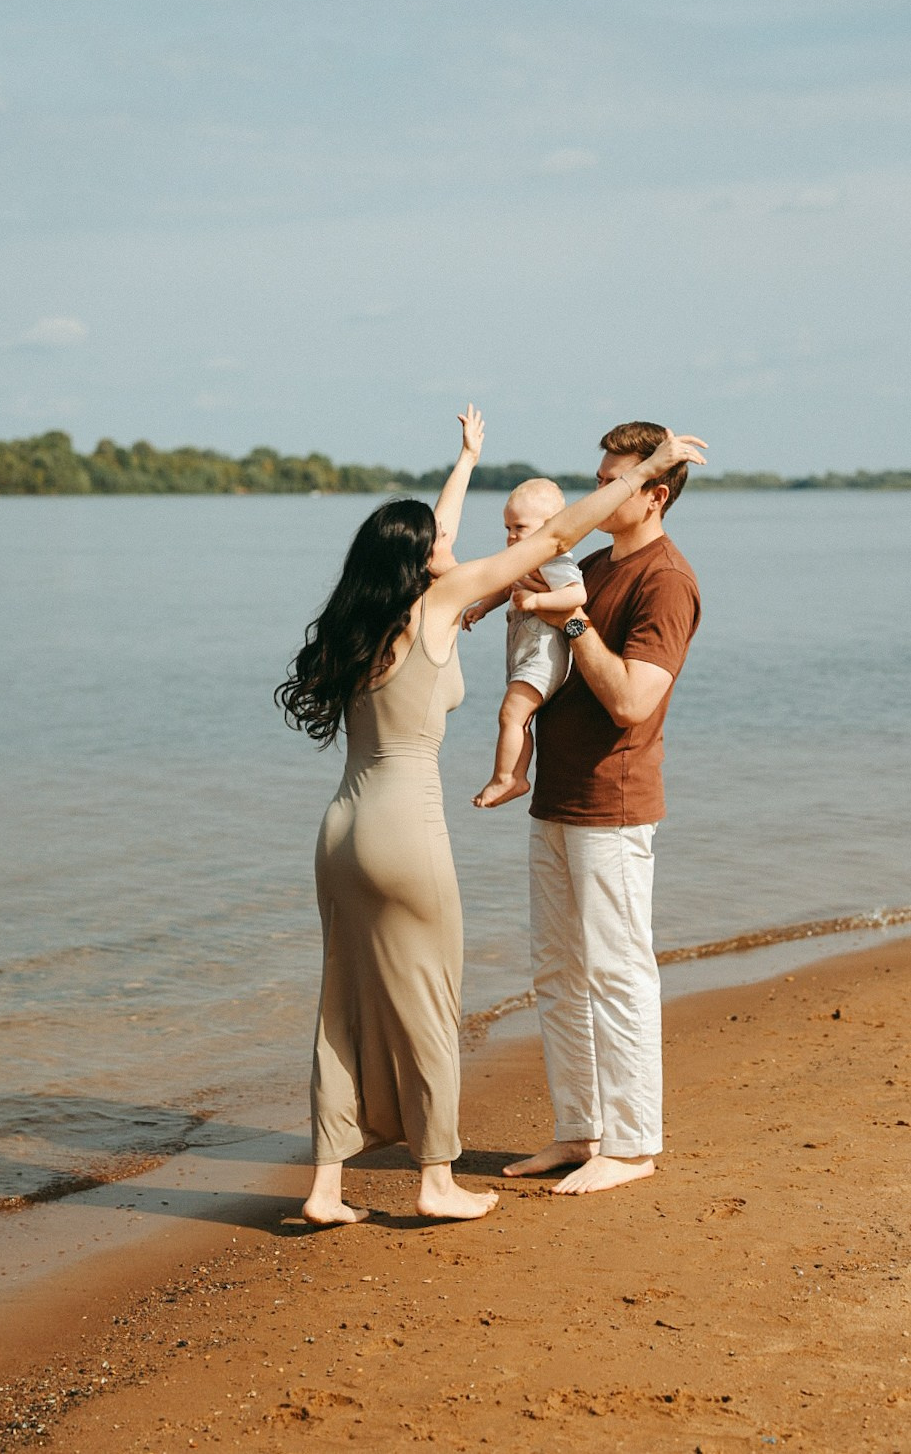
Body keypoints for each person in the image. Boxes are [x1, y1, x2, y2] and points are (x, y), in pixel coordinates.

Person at [277, 407, 705, 1225]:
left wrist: (468, 462)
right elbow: (543, 542)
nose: (453, 544)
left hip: (347, 829)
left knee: (342, 1008)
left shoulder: (363, 618)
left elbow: (627, 695)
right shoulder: (460, 595)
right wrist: (650, 464)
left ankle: (328, 1185)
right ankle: (458, 1172)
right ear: (420, 559)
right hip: (423, 828)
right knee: (453, 998)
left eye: (613, 481)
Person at [503, 420, 706, 1196]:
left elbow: (628, 700)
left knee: (617, 972)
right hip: (555, 795)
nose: (598, 493)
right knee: (556, 971)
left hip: (613, 803)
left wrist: (573, 620)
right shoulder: (589, 564)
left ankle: (630, 1143)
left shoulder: (666, 580)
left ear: (653, 494)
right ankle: (578, 1128)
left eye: (615, 481)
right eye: (597, 480)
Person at [462, 478, 587, 809]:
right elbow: (505, 588)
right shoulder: (523, 560)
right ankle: (516, 777)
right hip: (523, 656)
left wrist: (538, 601)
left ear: (549, 527)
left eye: (519, 527)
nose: (511, 536)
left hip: (543, 657)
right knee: (519, 720)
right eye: (508, 528)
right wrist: (481, 608)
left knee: (510, 715)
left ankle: (505, 777)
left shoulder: (555, 561)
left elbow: (577, 594)